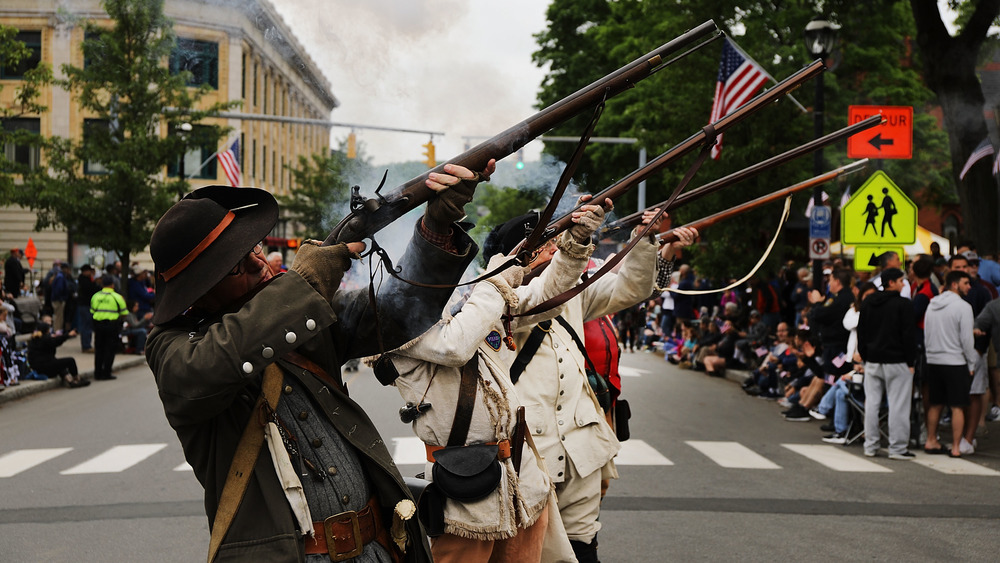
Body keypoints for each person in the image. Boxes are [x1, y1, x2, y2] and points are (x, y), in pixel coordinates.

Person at [146, 163, 489, 562]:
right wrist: (305, 281)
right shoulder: (173, 347)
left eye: (253, 247)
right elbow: (208, 366)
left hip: (374, 547)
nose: (260, 262)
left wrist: (436, 228)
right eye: (237, 262)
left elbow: (399, 314)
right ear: (200, 287)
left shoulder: (292, 307)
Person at [385, 199, 607, 563]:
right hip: (464, 487)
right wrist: (498, 278)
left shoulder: (471, 300)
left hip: (523, 480)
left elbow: (545, 297)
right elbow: (455, 345)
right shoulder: (399, 316)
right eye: (443, 249)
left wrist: (576, 242)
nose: (453, 255)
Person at [506, 207, 696, 563]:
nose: (556, 248)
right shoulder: (503, 298)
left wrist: (646, 239)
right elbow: (539, 297)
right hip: (530, 450)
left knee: (582, 546)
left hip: (581, 449)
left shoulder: (574, 293)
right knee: (528, 550)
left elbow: (630, 287)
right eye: (547, 243)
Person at [857, 268, 917, 459]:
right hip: (897, 359)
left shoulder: (868, 303)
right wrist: (911, 360)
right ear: (891, 282)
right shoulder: (903, 305)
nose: (903, 284)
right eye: (900, 280)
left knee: (872, 404)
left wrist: (865, 355)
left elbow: (862, 332)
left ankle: (871, 445)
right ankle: (897, 448)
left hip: (873, 359)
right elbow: (908, 335)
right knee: (898, 405)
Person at [923, 270, 978, 458]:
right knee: (957, 406)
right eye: (966, 283)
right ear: (954, 284)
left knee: (935, 404)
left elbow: (927, 332)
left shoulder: (932, 305)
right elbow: (967, 339)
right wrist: (971, 363)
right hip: (955, 361)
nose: (969, 287)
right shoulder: (963, 307)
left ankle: (931, 440)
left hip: (934, 359)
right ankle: (956, 446)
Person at [28, 321, 89, 388]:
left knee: (59, 364)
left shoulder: (34, 339)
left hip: (37, 368)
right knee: (70, 360)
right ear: (47, 331)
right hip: (45, 368)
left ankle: (70, 381)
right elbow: (56, 341)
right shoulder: (46, 339)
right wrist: (68, 335)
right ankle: (77, 378)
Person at [90, 274, 127, 381]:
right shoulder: (117, 297)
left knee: (99, 349)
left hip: (98, 325)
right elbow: (124, 313)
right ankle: (106, 373)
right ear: (112, 285)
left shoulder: (96, 296)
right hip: (112, 326)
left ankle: (97, 373)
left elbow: (92, 311)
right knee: (110, 350)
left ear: (102, 284)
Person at [77, 265, 98, 353]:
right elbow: (92, 289)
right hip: (85, 305)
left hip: (85, 305)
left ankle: (87, 344)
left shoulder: (84, 280)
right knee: (86, 326)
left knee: (86, 325)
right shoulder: (84, 281)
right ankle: (86, 346)